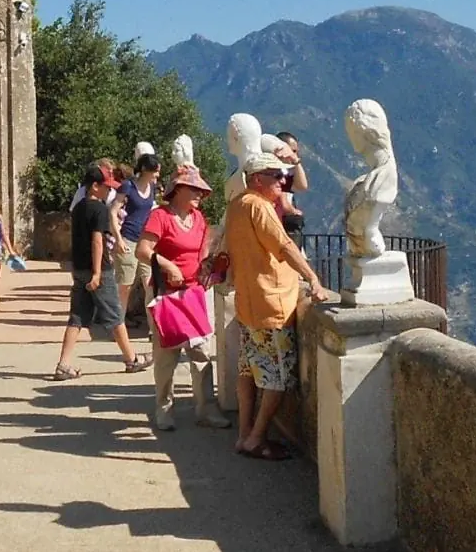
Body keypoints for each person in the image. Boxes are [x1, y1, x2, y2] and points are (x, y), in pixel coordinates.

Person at [224, 151, 331, 459]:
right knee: (278, 377)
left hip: (248, 302)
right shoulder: (260, 208)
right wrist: (313, 279)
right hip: (272, 304)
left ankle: (243, 433)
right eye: (277, 176)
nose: (284, 181)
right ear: (258, 179)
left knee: (248, 370)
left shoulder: (236, 205)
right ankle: (257, 438)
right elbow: (283, 246)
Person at [135, 164, 231, 431]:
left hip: (194, 293)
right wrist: (168, 266)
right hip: (167, 294)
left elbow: (201, 252)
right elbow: (142, 251)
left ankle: (206, 410)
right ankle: (163, 408)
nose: (200, 194)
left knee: (201, 352)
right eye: (195, 189)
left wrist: (211, 268)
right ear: (178, 190)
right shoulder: (161, 217)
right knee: (168, 354)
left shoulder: (198, 218)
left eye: (201, 190)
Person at [51, 162, 151, 381]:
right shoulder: (100, 210)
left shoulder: (78, 208)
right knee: (115, 315)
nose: (109, 190)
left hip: (79, 268)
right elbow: (97, 241)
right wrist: (97, 273)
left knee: (77, 317)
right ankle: (132, 359)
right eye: (106, 187)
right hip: (99, 269)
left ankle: (63, 364)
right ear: (95, 186)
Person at [114, 152, 161, 327]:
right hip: (128, 239)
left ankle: (153, 329)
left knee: (150, 284)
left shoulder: (153, 189)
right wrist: (118, 239)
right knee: (125, 286)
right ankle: (118, 326)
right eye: (155, 171)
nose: (157, 175)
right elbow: (113, 212)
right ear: (145, 170)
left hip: (145, 242)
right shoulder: (128, 186)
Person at [274, 131, 309, 240]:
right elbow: (284, 204)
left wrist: (296, 162)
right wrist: (294, 212)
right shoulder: (277, 171)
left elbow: (302, 185)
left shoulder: (285, 172)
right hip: (280, 227)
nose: (295, 154)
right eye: (293, 151)